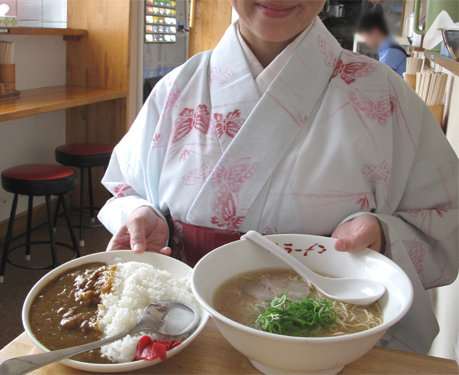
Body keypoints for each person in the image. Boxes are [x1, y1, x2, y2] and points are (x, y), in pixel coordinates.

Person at [99, 0, 458, 355]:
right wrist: (144, 215)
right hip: (185, 339)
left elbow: (445, 219)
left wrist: (382, 235)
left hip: (332, 346)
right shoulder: (175, 91)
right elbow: (126, 188)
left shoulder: (384, 96)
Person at [357, 11, 408, 77]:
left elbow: (380, 79)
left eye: (365, 36)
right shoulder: (389, 46)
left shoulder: (390, 52)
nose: (366, 41)